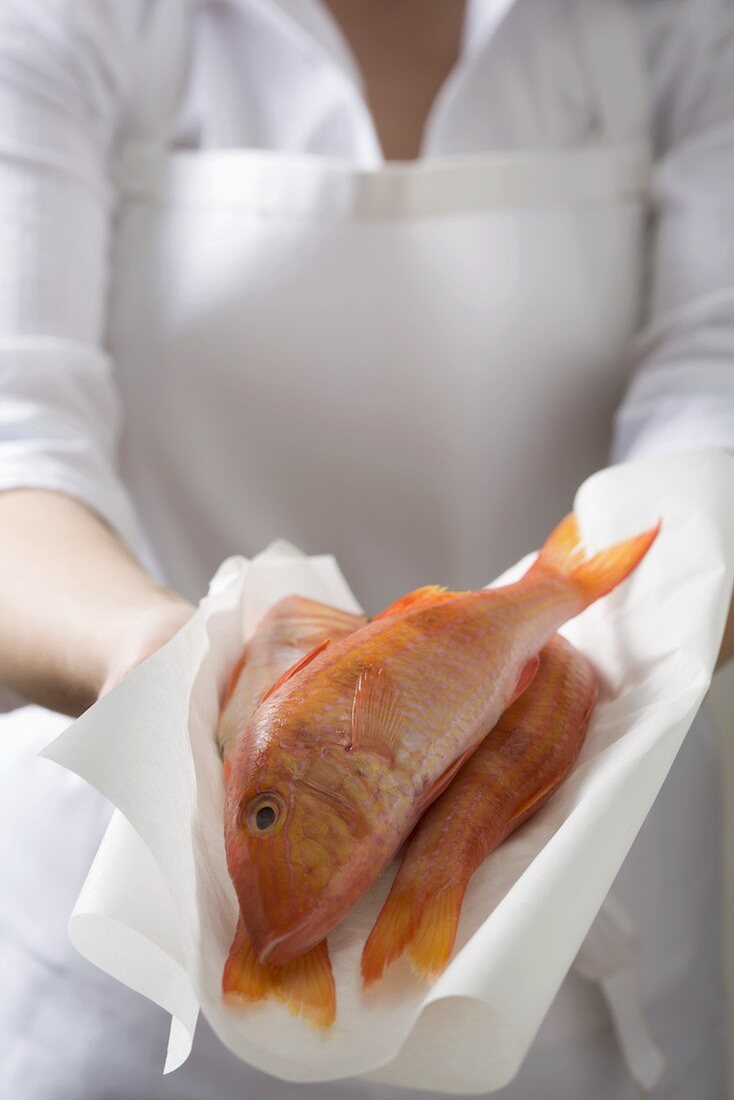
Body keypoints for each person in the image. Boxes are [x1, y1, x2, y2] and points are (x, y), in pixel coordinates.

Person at [0, 1, 732, 1097]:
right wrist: (151, 660)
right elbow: (17, 437)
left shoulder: (678, 25)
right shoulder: (69, 22)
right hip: (141, 955)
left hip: (593, 897)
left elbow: (715, 377)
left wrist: (648, 619)